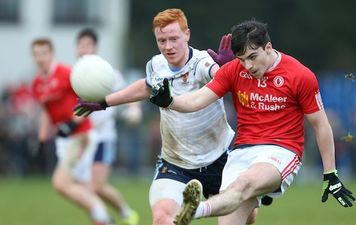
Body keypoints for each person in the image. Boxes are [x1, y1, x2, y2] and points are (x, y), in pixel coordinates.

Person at [149, 20, 356, 225]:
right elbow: (197, 99)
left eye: (252, 57)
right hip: (241, 152)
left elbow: (320, 124)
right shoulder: (233, 70)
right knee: (234, 210)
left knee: (244, 184)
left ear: (268, 47)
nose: (248, 66)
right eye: (242, 59)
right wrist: (170, 101)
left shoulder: (300, 75)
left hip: (280, 151)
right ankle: (195, 210)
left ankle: (192, 211)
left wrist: (330, 173)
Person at [73, 8, 258, 225]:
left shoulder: (202, 62)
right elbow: (145, 87)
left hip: (219, 159)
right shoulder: (156, 64)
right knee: (162, 218)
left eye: (173, 39)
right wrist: (104, 102)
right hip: (176, 163)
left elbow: (219, 76)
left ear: (187, 34)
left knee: (247, 217)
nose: (168, 46)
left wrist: (228, 69)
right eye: (161, 40)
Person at [30, 38, 112, 225]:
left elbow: (88, 98)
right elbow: (45, 111)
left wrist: (74, 123)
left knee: (61, 183)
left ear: (51, 54)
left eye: (44, 53)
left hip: (80, 136)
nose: (40, 58)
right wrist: (42, 140)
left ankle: (105, 217)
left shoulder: (66, 73)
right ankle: (102, 218)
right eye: (36, 54)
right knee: (82, 187)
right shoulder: (37, 83)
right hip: (63, 139)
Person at [75, 28, 141, 225]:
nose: (84, 49)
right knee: (86, 189)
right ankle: (104, 221)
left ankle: (126, 213)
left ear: (95, 47)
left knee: (96, 187)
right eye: (81, 45)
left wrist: (134, 110)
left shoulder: (106, 72)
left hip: (104, 137)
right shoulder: (74, 75)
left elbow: (129, 94)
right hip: (82, 140)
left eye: (88, 44)